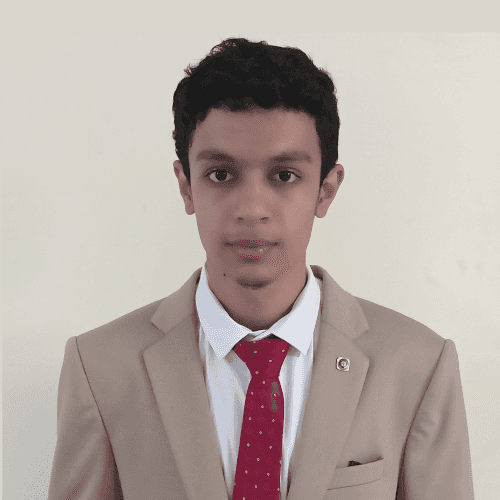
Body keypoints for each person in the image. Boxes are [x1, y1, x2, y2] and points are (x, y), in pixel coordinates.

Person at [47, 37, 474, 500]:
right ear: (186, 187)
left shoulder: (417, 367)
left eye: (284, 175)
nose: (252, 209)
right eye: (221, 174)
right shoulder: (101, 369)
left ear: (326, 190)